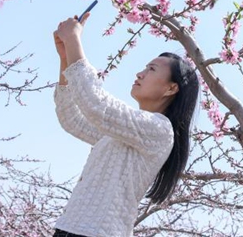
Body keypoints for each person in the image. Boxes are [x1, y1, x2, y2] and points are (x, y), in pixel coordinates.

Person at [52, 12, 199, 237]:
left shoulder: (159, 130)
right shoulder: (124, 133)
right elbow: (71, 118)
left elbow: (96, 105)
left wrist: (74, 41)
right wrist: (65, 59)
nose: (140, 74)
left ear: (171, 88)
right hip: (71, 228)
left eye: (151, 69)